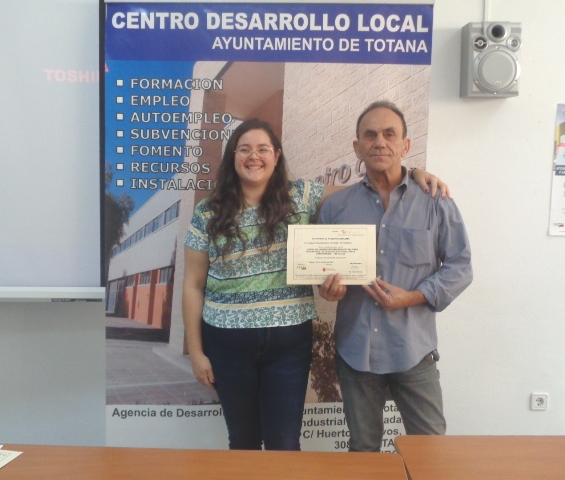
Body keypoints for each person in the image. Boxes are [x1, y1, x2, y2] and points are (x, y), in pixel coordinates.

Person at [182, 118, 448, 451]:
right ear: (232, 157)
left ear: (276, 156)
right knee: (243, 441)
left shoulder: (300, 196)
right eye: (244, 149)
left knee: (285, 443)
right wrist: (196, 353)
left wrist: (414, 175)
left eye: (263, 149)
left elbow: (367, 191)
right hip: (226, 344)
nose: (254, 156)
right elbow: (192, 285)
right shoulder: (208, 212)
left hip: (288, 345)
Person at [318, 100, 473, 452]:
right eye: (370, 135)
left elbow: (460, 267)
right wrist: (329, 290)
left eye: (390, 134)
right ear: (357, 147)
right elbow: (321, 272)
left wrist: (413, 297)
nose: (380, 142)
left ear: (405, 145)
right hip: (356, 351)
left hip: (413, 350)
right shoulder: (335, 207)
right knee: (363, 452)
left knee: (430, 452)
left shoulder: (436, 199)